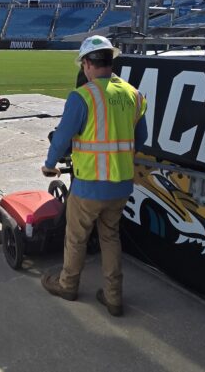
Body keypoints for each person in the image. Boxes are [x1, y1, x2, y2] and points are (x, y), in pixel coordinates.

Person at [40, 35, 147, 317]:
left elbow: (62, 138)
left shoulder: (83, 96)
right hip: (121, 186)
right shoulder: (134, 95)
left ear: (87, 63)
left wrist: (49, 164)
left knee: (76, 238)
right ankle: (113, 297)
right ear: (110, 61)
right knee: (110, 237)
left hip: (88, 187)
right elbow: (142, 138)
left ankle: (68, 285)